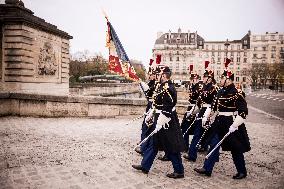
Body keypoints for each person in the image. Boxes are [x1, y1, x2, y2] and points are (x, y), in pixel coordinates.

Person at [194, 60, 251, 179]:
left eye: (222, 78)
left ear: (228, 79)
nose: (220, 80)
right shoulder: (220, 92)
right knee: (214, 144)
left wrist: (235, 125)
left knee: (235, 148)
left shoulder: (237, 93)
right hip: (219, 121)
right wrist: (206, 116)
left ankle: (242, 171)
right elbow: (213, 106)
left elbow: (243, 112)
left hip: (231, 122)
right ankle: (207, 168)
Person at [132, 65, 185, 179]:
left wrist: (160, 122)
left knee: (171, 146)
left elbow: (169, 107)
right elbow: (155, 102)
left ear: (164, 75)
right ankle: (145, 166)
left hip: (167, 121)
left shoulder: (169, 88)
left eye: (159, 75)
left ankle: (179, 170)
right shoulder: (160, 86)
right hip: (159, 118)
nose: (157, 76)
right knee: (153, 144)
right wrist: (151, 113)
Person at [184, 61, 217, 162]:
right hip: (201, 111)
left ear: (210, 78)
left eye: (205, 77)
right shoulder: (204, 87)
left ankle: (213, 156)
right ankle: (192, 155)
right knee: (197, 134)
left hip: (209, 113)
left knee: (211, 137)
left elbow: (214, 103)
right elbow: (199, 101)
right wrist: (193, 112)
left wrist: (208, 114)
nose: (203, 78)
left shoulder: (213, 88)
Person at [135, 64, 157, 155]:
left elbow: (149, 91)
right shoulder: (152, 82)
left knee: (147, 126)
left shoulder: (155, 83)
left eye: (151, 74)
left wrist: (142, 83)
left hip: (153, 106)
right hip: (150, 105)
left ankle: (145, 145)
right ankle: (143, 143)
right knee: (146, 126)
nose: (149, 76)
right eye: (149, 74)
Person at [180, 66, 202, 152]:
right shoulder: (192, 86)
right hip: (191, 106)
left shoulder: (198, 87)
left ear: (197, 79)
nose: (192, 80)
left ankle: (199, 145)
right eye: (192, 78)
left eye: (194, 78)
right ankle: (185, 145)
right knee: (185, 126)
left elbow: (196, 97)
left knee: (194, 128)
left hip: (195, 107)